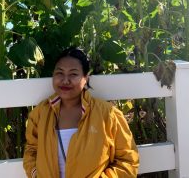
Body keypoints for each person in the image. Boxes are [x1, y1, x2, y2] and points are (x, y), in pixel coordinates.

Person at [23, 47, 139, 178]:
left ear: (85, 78)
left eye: (73, 74)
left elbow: (128, 160)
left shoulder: (108, 114)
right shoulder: (40, 113)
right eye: (59, 73)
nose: (65, 80)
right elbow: (31, 151)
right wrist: (35, 175)